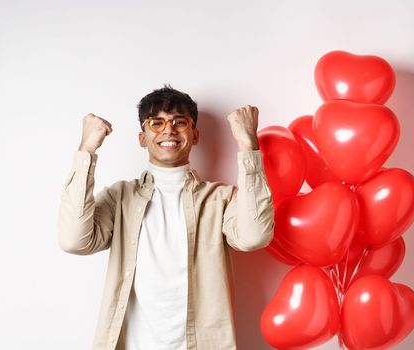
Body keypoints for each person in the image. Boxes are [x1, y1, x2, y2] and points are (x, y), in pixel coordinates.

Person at [57, 86, 275, 350]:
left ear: (195, 135)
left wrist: (247, 144)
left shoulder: (220, 198)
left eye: (179, 122)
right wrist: (86, 150)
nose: (168, 130)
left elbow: (254, 237)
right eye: (156, 123)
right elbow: (74, 241)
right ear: (142, 137)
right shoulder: (120, 197)